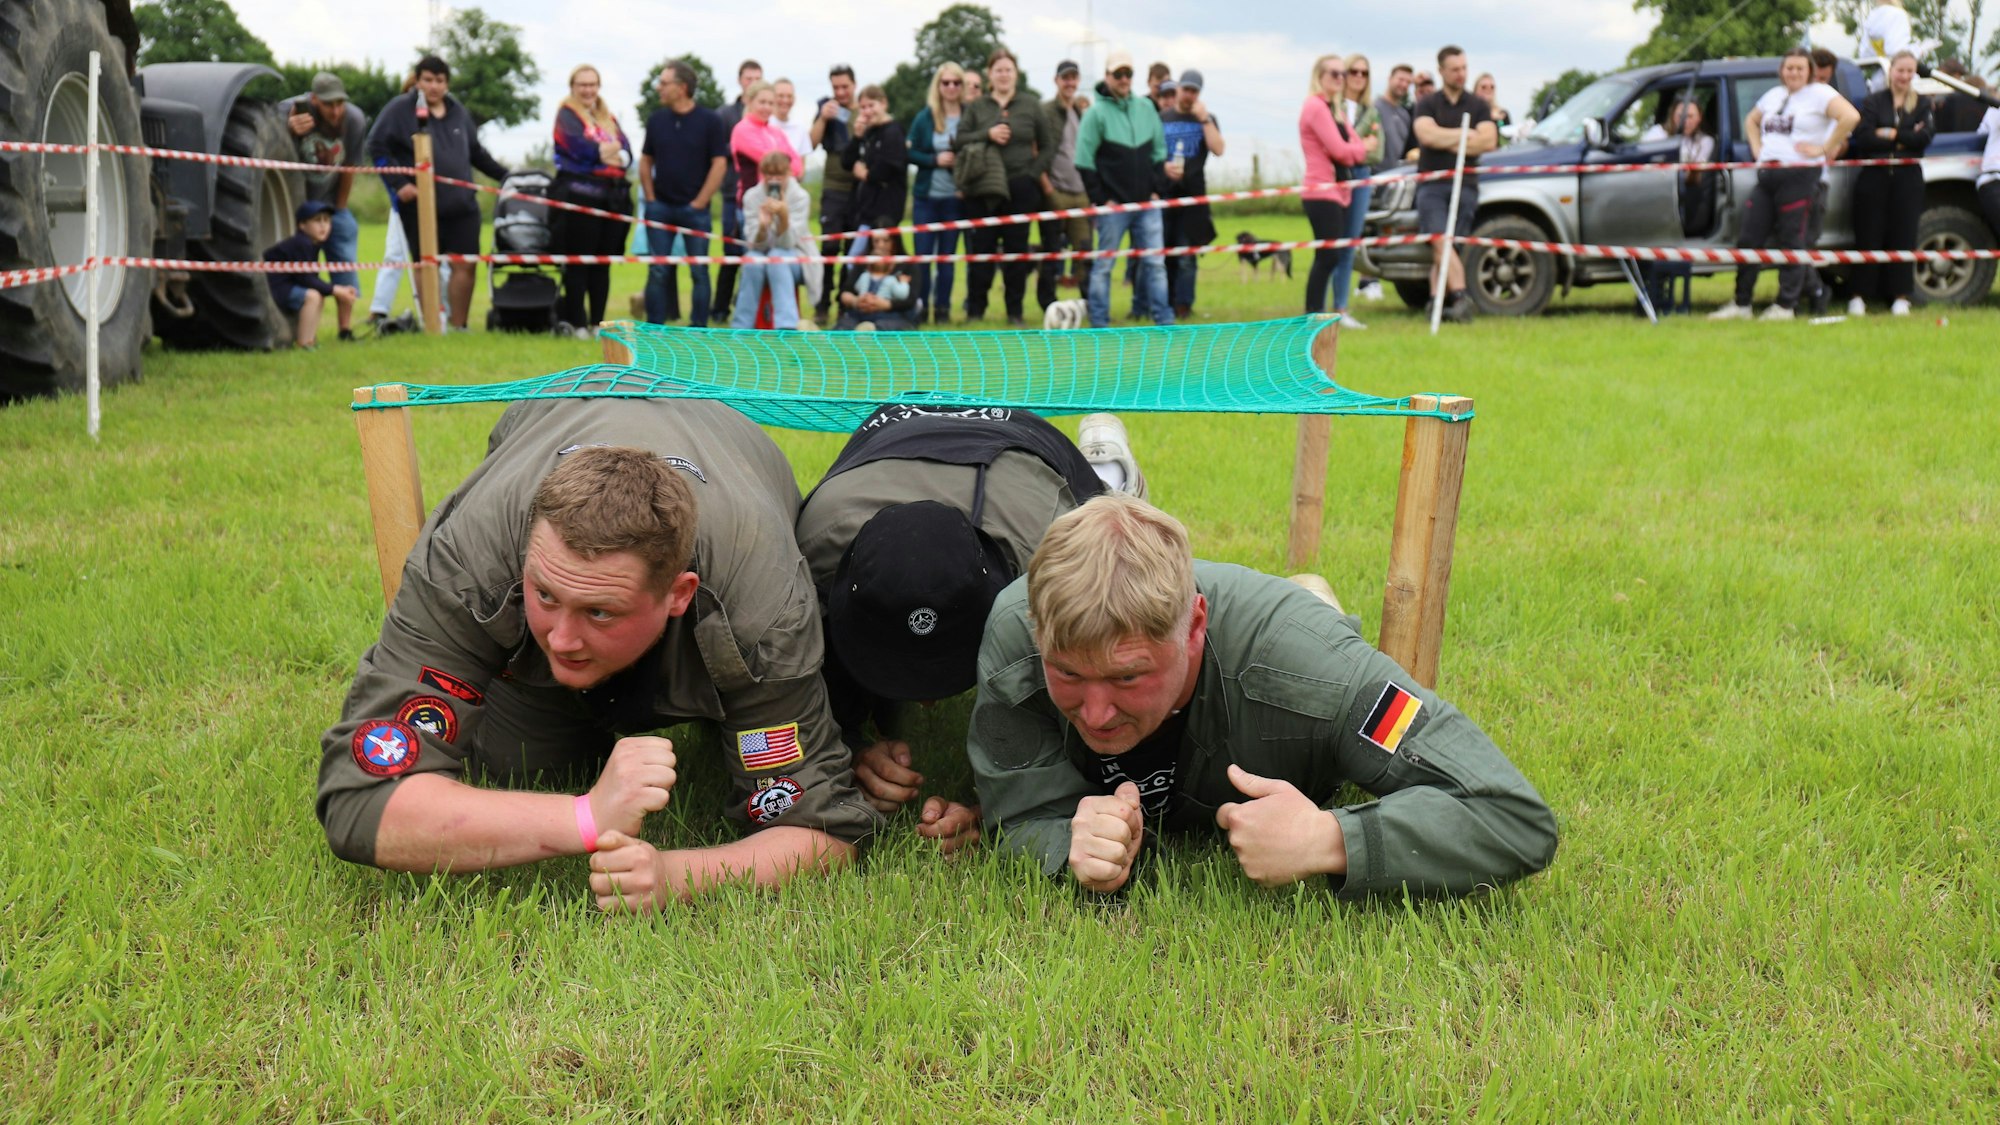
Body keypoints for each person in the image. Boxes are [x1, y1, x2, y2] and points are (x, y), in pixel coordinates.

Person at [318, 399, 881, 912]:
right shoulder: (470, 563)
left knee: (750, 748)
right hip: (560, 414)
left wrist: (676, 874)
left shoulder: (762, 607)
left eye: (599, 611)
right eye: (545, 596)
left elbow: (823, 830)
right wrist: (585, 816)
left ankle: (716, 703)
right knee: (523, 766)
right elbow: (361, 801)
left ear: (679, 594)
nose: (560, 638)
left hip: (726, 452)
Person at [964, 493, 1559, 898]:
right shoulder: (1020, 629)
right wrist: (1067, 839)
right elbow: (1018, 810)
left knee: (1312, 628)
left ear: (1195, 627)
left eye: (1127, 678)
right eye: (1068, 674)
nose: (1095, 713)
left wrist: (1331, 840)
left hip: (1291, 646)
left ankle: (1314, 598)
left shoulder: (1317, 671)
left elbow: (1510, 815)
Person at [794, 405, 1148, 857]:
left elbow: (1098, 707)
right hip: (888, 438)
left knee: (1120, 551)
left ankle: (1110, 476)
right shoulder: (809, 553)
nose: (925, 702)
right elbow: (791, 687)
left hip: (1028, 450)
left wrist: (1004, 806)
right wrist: (850, 748)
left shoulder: (1051, 558)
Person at [1710, 49, 1859, 322]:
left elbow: (1850, 116)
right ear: (1782, 70)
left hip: (1800, 176)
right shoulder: (1774, 95)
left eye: (1800, 68)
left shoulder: (1820, 93)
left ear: (1809, 71)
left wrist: (1824, 148)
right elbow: (1751, 120)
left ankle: (1785, 306)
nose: (1794, 72)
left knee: (1793, 241)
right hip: (1768, 175)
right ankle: (1741, 304)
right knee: (1749, 238)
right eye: (1789, 67)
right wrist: (1757, 149)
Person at [368, 55, 509, 331]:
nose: (433, 86)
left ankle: (459, 326)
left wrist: (507, 176)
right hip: (419, 207)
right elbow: (377, 147)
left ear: (447, 83)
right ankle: (433, 324)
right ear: (418, 81)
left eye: (439, 81)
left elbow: (477, 154)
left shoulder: (458, 111)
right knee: (425, 264)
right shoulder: (399, 110)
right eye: (428, 80)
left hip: (461, 205)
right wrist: (399, 185)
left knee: (465, 265)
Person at [956, 49, 1053, 326]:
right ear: (990, 74)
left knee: (1016, 252)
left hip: (1020, 187)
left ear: (1016, 73)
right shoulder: (978, 107)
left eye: (1008, 69)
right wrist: (987, 134)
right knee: (981, 252)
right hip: (983, 188)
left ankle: (1015, 313)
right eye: (998, 69)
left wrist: (1032, 175)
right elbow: (960, 139)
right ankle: (975, 311)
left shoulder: (1031, 105)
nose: (1003, 74)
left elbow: (1047, 146)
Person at [1077, 50, 1172, 329]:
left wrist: (1157, 189)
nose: (1123, 79)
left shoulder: (1146, 109)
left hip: (1146, 205)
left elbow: (1158, 152)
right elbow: (1083, 160)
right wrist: (1101, 199)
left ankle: (1164, 322)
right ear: (1107, 77)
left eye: (1128, 73)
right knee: (1104, 265)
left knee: (1155, 264)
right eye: (1117, 73)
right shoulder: (1095, 114)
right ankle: (1099, 324)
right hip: (1113, 207)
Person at [1411, 46, 1498, 325]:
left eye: (1464, 68)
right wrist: (1464, 135)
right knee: (1440, 239)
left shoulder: (1478, 105)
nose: (1461, 74)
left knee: (1452, 244)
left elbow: (1488, 141)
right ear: (1441, 71)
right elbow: (1426, 136)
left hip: (1466, 183)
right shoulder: (1426, 103)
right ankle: (1460, 297)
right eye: (1455, 69)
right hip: (1432, 184)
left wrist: (1444, 136)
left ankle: (1435, 299)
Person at [640, 60, 729, 328]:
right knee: (657, 270)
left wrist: (700, 202)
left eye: (664, 83)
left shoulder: (710, 121)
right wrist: (651, 197)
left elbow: (720, 163)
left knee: (700, 271)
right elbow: (646, 160)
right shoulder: (656, 120)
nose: (659, 88)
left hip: (696, 211)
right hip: (660, 208)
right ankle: (654, 329)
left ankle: (698, 330)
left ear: (682, 87)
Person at [549, 65, 633, 336]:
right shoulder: (566, 116)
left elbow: (626, 151)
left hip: (612, 199)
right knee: (578, 263)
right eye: (582, 84)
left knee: (602, 263)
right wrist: (606, 153)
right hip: (578, 198)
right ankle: (578, 323)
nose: (588, 90)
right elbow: (580, 150)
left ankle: (599, 323)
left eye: (593, 84)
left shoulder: (607, 116)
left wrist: (608, 153)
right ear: (572, 86)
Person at [1849, 50, 1934, 316]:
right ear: (1891, 72)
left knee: (1904, 233)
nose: (1905, 76)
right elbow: (1864, 137)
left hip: (1908, 178)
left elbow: (1924, 139)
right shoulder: (1873, 101)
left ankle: (1900, 296)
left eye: (1910, 71)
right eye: (1900, 70)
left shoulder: (1922, 103)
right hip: (1874, 177)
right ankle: (1859, 295)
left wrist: (1890, 133)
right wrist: (1905, 135)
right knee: (1868, 233)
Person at [279, 72, 367, 308]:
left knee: (345, 237)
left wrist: (338, 209)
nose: (336, 111)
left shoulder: (354, 119)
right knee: (299, 266)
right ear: (314, 99)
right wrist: (287, 130)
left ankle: (346, 329)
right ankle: (301, 318)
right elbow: (269, 154)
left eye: (340, 103)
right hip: (295, 207)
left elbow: (350, 167)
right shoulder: (291, 111)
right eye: (329, 104)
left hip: (330, 203)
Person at [1299, 54, 1369, 318]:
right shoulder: (1315, 107)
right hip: (1321, 191)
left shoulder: (1334, 109)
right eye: (1334, 74)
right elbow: (1343, 150)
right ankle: (1312, 314)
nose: (1341, 78)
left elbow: (1356, 146)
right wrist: (1357, 150)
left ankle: (1316, 313)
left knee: (1331, 255)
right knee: (1328, 256)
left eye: (1343, 73)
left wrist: (1356, 150)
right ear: (1319, 76)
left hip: (1337, 192)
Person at [907, 63, 970, 326]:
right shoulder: (926, 116)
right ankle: (921, 308)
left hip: (955, 199)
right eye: (946, 82)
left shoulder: (969, 115)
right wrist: (934, 160)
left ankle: (943, 309)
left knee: (947, 260)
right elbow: (910, 152)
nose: (951, 87)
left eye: (956, 82)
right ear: (938, 86)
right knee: (923, 258)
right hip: (926, 199)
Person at [1158, 70, 1224, 321]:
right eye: (1186, 89)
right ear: (1178, 90)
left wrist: (1205, 119)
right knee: (1165, 254)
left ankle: (1184, 305)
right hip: (1165, 194)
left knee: (1187, 255)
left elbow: (1218, 149)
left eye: (1194, 91)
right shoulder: (1162, 118)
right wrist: (1163, 168)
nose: (1189, 95)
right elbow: (1152, 153)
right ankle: (1165, 303)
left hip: (1194, 197)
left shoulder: (1207, 119)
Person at [730, 150, 815, 329]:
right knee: (752, 261)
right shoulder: (752, 196)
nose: (774, 179)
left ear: (789, 173)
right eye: (769, 174)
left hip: (796, 257)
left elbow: (788, 244)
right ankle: (741, 327)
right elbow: (753, 246)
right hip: (761, 254)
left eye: (779, 174)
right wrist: (762, 227)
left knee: (777, 256)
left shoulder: (800, 197)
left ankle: (786, 326)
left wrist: (784, 217)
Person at [1036, 59, 1095, 309]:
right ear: (1056, 81)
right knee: (1052, 251)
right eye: (1065, 78)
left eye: (1074, 78)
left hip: (1080, 192)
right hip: (1055, 191)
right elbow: (1035, 150)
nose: (1070, 83)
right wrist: (1047, 189)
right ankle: (1048, 303)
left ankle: (1088, 303)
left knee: (1085, 251)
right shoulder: (1045, 111)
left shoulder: (1082, 113)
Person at [264, 199, 358, 349]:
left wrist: (334, 289)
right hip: (273, 287)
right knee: (313, 296)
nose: (324, 226)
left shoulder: (312, 243)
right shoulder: (302, 243)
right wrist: (336, 290)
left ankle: (310, 341)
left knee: (318, 295)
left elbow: (309, 277)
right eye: (317, 220)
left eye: (327, 221)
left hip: (287, 285)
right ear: (302, 225)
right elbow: (306, 279)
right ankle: (303, 343)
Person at [1332, 55, 1383, 327]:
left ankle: (1341, 308)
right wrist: (1360, 146)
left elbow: (1378, 151)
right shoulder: (1331, 106)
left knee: (1350, 244)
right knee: (1331, 244)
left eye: (1364, 73)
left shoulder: (1371, 110)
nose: (1358, 77)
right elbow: (1334, 146)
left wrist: (1353, 150)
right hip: (1335, 178)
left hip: (1362, 177)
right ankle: (1324, 309)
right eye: (1354, 71)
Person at [712, 59, 764, 320]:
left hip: (763, 195)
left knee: (754, 254)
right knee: (731, 252)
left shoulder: (767, 114)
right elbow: (720, 153)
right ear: (740, 80)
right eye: (748, 78)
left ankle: (750, 308)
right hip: (734, 193)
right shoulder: (725, 115)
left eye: (758, 78)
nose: (752, 83)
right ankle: (720, 308)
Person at [811, 65, 860, 324]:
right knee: (828, 250)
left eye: (845, 87)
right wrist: (823, 118)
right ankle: (822, 306)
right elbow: (811, 143)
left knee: (852, 252)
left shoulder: (863, 111)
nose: (840, 92)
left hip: (859, 191)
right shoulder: (825, 110)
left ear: (854, 85)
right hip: (833, 189)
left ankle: (845, 306)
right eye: (836, 87)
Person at [843, 84, 907, 236]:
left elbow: (889, 166)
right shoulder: (868, 133)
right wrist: (857, 137)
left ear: (883, 103)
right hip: (863, 210)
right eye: (863, 107)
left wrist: (866, 174)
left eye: (871, 105)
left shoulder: (893, 132)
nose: (867, 112)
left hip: (885, 211)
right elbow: (846, 162)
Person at [833, 229, 919, 331]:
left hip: (891, 314)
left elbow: (908, 299)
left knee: (886, 325)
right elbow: (846, 291)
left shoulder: (907, 266)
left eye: (886, 241)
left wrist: (885, 304)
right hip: (862, 312)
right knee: (846, 322)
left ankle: (870, 331)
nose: (881, 245)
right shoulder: (863, 269)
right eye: (876, 241)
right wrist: (858, 301)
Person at [1672, 99, 1718, 236]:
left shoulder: (1706, 141)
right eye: (1680, 116)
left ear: (1700, 117)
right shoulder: (1667, 139)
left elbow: (1696, 176)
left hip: (1692, 196)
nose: (1685, 121)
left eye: (1690, 116)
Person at [1858, 0, 1913, 92]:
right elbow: (1896, 51)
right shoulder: (1898, 15)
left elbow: (1864, 54)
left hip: (1877, 82)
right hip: (1898, 81)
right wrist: (1917, 51)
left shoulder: (1872, 17)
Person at [1376, 63, 1416, 166]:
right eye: (1401, 79)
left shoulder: (1405, 115)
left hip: (1395, 175)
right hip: (1374, 175)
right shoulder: (1375, 108)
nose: (1404, 85)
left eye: (1408, 82)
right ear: (1390, 79)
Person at [771, 80, 814, 161]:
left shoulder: (800, 128)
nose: (785, 100)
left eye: (789, 96)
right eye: (780, 96)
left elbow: (801, 166)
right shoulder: (764, 125)